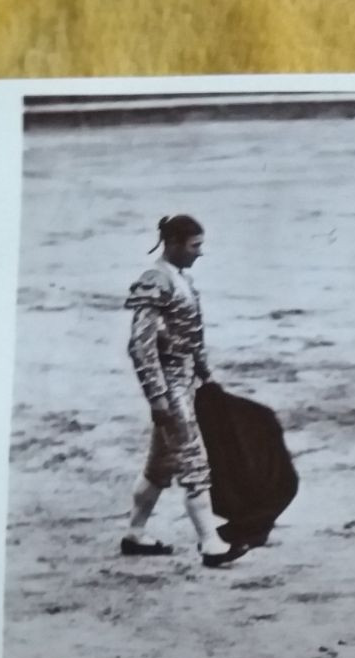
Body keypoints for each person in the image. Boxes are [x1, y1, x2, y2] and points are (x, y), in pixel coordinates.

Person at [120, 214, 249, 569]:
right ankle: (211, 543)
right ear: (173, 243)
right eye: (195, 246)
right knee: (194, 461)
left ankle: (135, 533)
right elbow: (141, 346)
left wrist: (204, 375)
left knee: (160, 467)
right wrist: (158, 397)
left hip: (184, 382)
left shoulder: (178, 280)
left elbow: (189, 338)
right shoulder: (156, 281)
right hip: (171, 387)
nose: (199, 253)